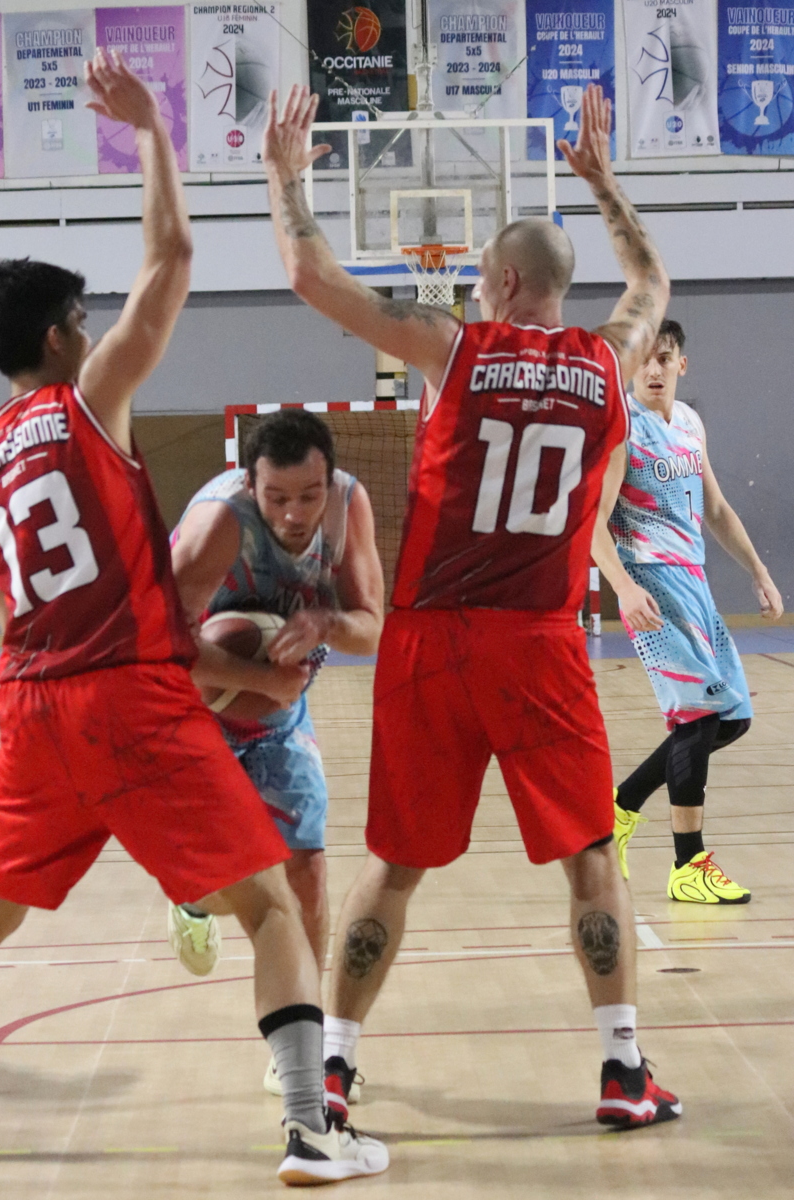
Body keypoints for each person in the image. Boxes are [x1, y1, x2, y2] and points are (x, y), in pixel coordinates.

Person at [0, 50, 387, 1186]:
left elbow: (8, 613)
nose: (98, 331)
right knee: (269, 909)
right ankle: (314, 1130)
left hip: (30, 707)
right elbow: (173, 258)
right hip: (127, 700)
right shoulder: (88, 403)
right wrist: (151, 129)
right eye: (85, 320)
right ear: (62, 336)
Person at [263, 81, 682, 1130]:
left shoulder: (455, 347)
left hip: (431, 644)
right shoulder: (607, 360)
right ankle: (622, 1070)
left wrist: (284, 179)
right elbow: (651, 279)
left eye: (485, 277)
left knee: (395, 865)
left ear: (502, 281)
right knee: (591, 857)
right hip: (540, 642)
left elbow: (310, 273)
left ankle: (335, 1068)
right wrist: (603, 181)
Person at [166, 409, 384, 1099]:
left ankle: (302, 1047)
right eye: (277, 498)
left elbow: (371, 628)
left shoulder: (348, 507)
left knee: (306, 869)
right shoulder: (217, 527)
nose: (294, 514)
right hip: (192, 712)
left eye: (308, 495)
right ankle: (193, 903)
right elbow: (162, 650)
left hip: (280, 719)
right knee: (219, 878)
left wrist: (327, 621)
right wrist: (261, 680)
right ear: (249, 485)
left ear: (329, 481)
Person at [590, 319, 783, 902]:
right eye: (645, 359)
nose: (654, 369)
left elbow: (716, 508)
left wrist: (759, 572)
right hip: (650, 585)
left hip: (694, 583)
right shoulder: (623, 428)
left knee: (732, 718)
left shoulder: (691, 425)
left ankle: (620, 807)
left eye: (664, 357)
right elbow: (592, 524)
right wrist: (623, 588)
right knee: (696, 719)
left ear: (681, 364)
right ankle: (688, 865)